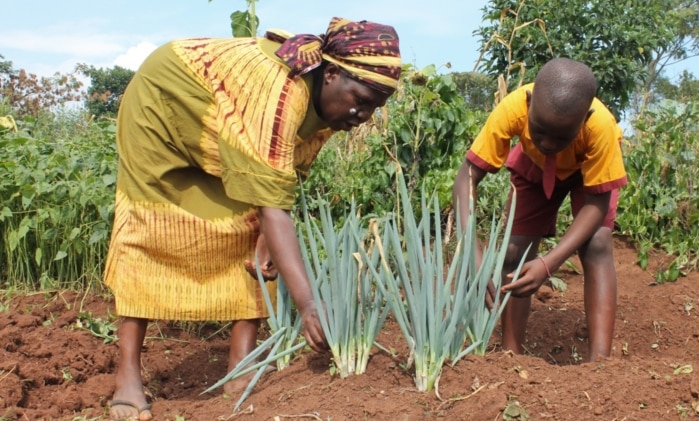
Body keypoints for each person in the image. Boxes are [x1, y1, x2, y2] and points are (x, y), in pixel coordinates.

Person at [103, 17, 401, 421]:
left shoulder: (332, 109)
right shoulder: (281, 92)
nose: (363, 115)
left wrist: (265, 227)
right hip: (163, 106)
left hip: (227, 128)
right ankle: (127, 377)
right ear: (331, 74)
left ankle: (239, 371)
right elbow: (273, 202)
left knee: (253, 237)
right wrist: (308, 303)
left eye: (373, 108)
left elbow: (286, 173)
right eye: (362, 101)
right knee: (150, 226)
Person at [452, 58, 627, 363]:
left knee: (597, 243)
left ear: (584, 118)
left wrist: (549, 263)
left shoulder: (601, 126)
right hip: (532, 168)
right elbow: (468, 175)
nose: (548, 143)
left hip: (587, 174)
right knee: (514, 251)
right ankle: (512, 353)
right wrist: (473, 256)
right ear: (529, 103)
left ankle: (600, 362)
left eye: (562, 137)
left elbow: (597, 203)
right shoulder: (512, 108)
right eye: (540, 130)